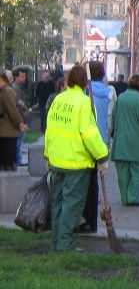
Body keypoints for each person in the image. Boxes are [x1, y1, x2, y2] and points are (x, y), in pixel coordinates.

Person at [44, 65, 109, 251]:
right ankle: (66, 244)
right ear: (85, 82)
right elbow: (90, 134)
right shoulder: (83, 102)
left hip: (57, 160)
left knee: (58, 202)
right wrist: (102, 156)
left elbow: (50, 131)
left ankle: (56, 241)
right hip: (76, 162)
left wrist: (48, 155)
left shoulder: (58, 99)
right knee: (72, 205)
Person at [80, 61, 117, 233]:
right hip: (101, 140)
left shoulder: (86, 92)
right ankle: (91, 220)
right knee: (93, 180)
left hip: (86, 140)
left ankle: (85, 218)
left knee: (85, 181)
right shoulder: (108, 92)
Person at [110, 74, 139, 206]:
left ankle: (124, 197)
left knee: (122, 171)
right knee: (138, 169)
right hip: (137, 140)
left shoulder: (121, 98)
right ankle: (133, 197)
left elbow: (114, 119)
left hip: (120, 140)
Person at [0, 70, 28, 171]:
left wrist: (20, 123)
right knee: (6, 162)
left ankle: (10, 185)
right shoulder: (6, 90)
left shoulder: (7, 91)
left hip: (7, 132)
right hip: (5, 131)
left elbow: (13, 110)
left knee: (8, 163)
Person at [11, 68, 29, 166]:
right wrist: (24, 111)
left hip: (21, 117)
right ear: (16, 77)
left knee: (19, 140)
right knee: (18, 140)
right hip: (20, 118)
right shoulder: (15, 88)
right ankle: (18, 159)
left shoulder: (19, 87)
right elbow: (18, 103)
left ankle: (18, 159)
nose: (24, 78)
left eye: (25, 76)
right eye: (22, 76)